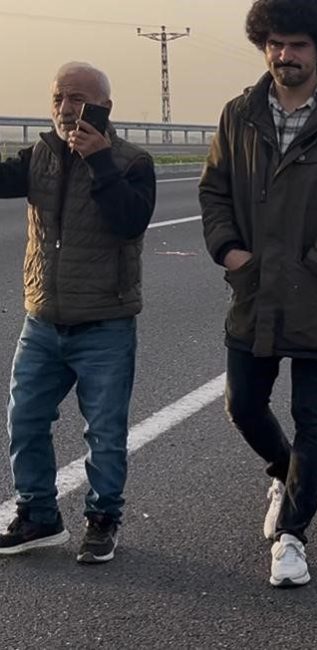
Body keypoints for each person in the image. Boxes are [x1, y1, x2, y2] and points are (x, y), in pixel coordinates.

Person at [199, 0, 317, 588]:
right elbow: (215, 192)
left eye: (298, 45)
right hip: (254, 294)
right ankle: (286, 473)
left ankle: (292, 535)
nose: (285, 56)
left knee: (314, 420)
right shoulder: (239, 115)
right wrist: (232, 253)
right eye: (276, 44)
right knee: (243, 406)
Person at [0, 62, 156, 564]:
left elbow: (129, 223)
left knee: (105, 432)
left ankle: (103, 519)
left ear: (104, 108)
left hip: (104, 323)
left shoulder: (132, 162)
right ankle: (38, 515)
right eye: (59, 98)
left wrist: (100, 162)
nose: (67, 108)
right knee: (24, 420)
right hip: (42, 318)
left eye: (78, 99)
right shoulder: (39, 156)